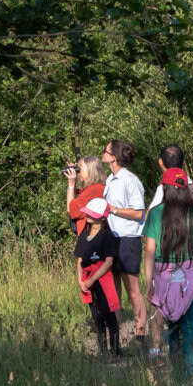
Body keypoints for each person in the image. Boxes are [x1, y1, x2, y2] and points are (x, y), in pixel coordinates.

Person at [140, 167, 193, 380]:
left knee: (173, 328)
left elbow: (150, 251)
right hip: (192, 276)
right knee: (192, 327)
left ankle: (178, 375)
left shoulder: (155, 214)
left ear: (164, 188)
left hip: (164, 277)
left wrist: (149, 282)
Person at [102, 139, 148, 343]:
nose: (102, 153)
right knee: (114, 290)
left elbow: (139, 213)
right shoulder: (110, 180)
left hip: (128, 239)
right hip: (112, 238)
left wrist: (113, 210)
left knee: (133, 289)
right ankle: (115, 336)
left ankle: (141, 333)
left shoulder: (130, 180)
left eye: (106, 150)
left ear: (114, 156)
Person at [74, 197, 121, 357]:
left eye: (91, 213)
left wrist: (92, 280)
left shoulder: (107, 236)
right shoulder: (84, 235)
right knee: (96, 316)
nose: (87, 216)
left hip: (102, 278)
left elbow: (109, 261)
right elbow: (79, 260)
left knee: (108, 314)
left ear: (101, 217)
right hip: (87, 278)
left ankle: (115, 350)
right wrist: (80, 280)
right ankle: (103, 350)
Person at [65, 156, 107, 236]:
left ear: (90, 170)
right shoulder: (99, 188)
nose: (79, 171)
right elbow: (74, 196)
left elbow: (70, 209)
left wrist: (71, 184)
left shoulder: (93, 190)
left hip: (91, 235)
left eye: (80, 168)